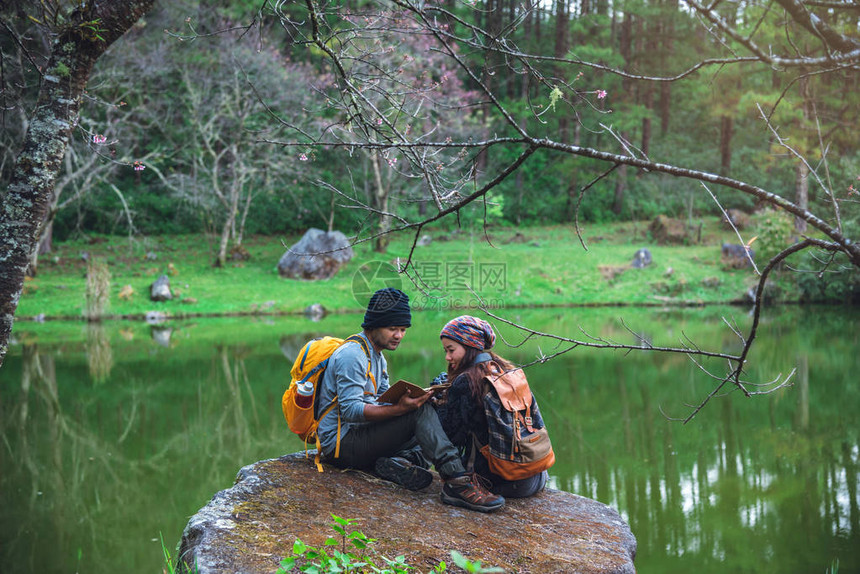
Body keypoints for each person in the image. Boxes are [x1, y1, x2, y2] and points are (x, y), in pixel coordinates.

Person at [315, 288, 505, 512]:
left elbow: (381, 400)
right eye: (392, 328)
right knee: (418, 414)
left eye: (403, 329)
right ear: (373, 325)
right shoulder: (352, 355)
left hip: (361, 433)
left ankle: (400, 463)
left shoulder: (377, 356)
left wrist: (417, 398)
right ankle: (457, 482)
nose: (399, 335)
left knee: (431, 415)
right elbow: (350, 411)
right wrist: (402, 409)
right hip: (341, 445)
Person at [432, 315, 549, 498]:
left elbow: (451, 437)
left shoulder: (467, 381)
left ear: (470, 346)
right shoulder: (507, 370)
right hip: (537, 475)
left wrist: (440, 399)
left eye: (451, 350)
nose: (448, 357)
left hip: (504, 482)